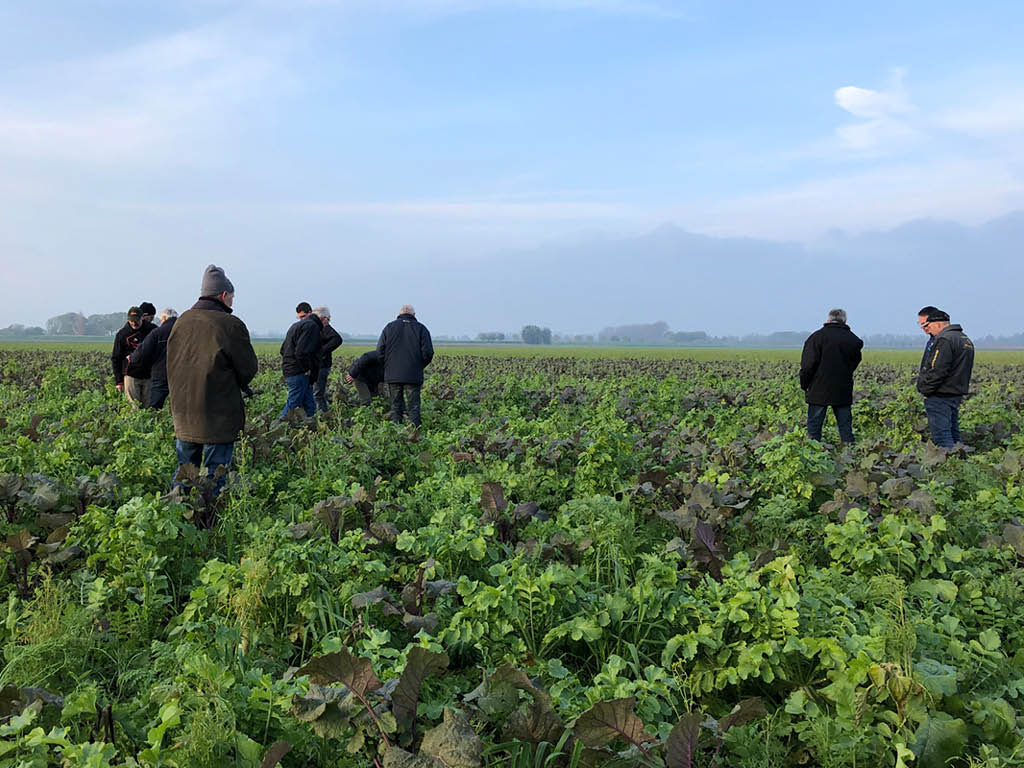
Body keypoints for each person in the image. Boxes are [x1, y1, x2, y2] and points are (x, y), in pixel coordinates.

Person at [166, 265, 258, 491]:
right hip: (218, 412)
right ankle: (209, 518)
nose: (232, 302)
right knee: (215, 474)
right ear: (223, 295)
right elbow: (248, 369)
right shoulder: (230, 324)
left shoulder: (181, 321)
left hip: (183, 410)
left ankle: (178, 513)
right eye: (232, 297)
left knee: (185, 470)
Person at [799, 309, 863, 443]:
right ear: (844, 321)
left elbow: (807, 365)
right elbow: (854, 362)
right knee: (845, 428)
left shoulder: (816, 338)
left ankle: (813, 456)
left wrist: (805, 384)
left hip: (818, 389)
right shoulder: (853, 340)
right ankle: (850, 456)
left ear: (828, 320)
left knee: (814, 430)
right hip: (842, 388)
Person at [916, 308, 974, 449]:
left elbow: (937, 370)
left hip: (940, 395)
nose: (926, 330)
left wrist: (925, 389)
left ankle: (949, 467)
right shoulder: (964, 339)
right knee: (954, 435)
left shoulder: (944, 340)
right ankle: (961, 465)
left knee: (942, 438)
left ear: (938, 324)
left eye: (926, 326)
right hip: (955, 392)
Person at [377, 304, 434, 427]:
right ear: (414, 315)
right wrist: (419, 366)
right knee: (414, 407)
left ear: (399, 314)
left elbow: (380, 351)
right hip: (413, 375)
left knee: (396, 406)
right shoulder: (421, 329)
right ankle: (414, 435)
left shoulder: (389, 327)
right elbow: (428, 353)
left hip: (392, 375)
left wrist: (388, 366)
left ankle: (397, 434)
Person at [279, 302, 322, 419]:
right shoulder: (311, 326)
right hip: (299, 373)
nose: (302, 319)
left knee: (310, 405)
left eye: (303, 317)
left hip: (290, 370)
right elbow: (300, 352)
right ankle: (277, 428)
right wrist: (306, 368)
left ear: (310, 312)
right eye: (300, 317)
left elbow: (283, 350)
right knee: (292, 405)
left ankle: (309, 428)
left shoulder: (294, 326)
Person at [129, 308, 178, 409]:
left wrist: (132, 357)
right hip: (180, 375)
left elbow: (142, 352)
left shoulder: (158, 332)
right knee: (179, 405)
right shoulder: (185, 331)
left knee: (155, 407)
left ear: (164, 318)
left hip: (161, 374)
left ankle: (155, 422)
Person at [111, 306, 157, 406]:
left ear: (142, 318)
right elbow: (116, 358)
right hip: (131, 375)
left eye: (136, 320)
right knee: (134, 408)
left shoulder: (152, 330)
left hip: (149, 375)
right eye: (131, 321)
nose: (134, 323)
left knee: (149, 407)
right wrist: (119, 381)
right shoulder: (122, 334)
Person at [311, 306, 343, 413]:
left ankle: (323, 416)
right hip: (318, 365)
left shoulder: (325, 327)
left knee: (317, 394)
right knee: (315, 393)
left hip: (322, 366)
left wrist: (321, 351)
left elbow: (337, 339)